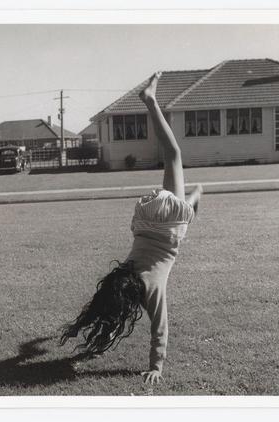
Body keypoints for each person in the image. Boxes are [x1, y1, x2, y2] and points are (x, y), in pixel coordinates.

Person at [60, 72, 203, 385]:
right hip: (145, 223)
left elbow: (159, 328)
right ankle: (192, 201)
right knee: (176, 170)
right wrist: (105, 337)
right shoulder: (123, 273)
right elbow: (116, 309)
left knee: (174, 156)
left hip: (167, 230)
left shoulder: (148, 289)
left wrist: (157, 366)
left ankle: (150, 100)